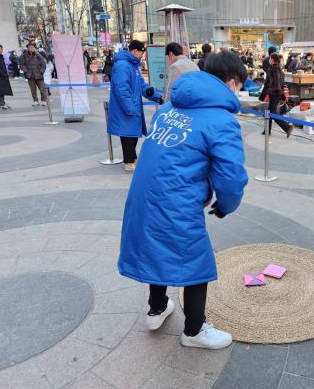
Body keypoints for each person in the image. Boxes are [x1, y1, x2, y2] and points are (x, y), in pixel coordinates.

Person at [118, 51, 249, 350]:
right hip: (175, 200)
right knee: (195, 260)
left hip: (143, 195)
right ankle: (194, 330)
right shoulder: (221, 120)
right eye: (240, 85)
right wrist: (225, 205)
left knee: (157, 247)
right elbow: (231, 177)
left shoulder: (168, 108)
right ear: (231, 82)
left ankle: (157, 308)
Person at [107, 40, 163, 172]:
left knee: (132, 133)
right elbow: (121, 88)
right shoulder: (122, 65)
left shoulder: (132, 66)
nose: (142, 56)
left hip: (132, 106)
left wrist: (156, 95)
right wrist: (129, 107)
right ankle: (129, 161)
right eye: (141, 53)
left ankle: (133, 158)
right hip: (126, 107)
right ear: (134, 51)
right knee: (127, 134)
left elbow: (142, 85)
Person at [263, 52, 293, 137]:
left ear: (272, 60)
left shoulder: (273, 69)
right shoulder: (278, 68)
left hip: (274, 93)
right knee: (268, 111)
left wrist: (264, 94)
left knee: (272, 112)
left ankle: (287, 127)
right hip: (277, 93)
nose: (269, 60)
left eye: (270, 59)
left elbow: (271, 83)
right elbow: (281, 82)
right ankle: (267, 130)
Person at [20, 42, 48, 106]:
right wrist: (26, 71)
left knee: (42, 89)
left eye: (33, 47)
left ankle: (43, 100)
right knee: (33, 90)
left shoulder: (39, 55)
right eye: (30, 47)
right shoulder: (24, 56)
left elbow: (43, 64)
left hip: (39, 75)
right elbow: (22, 64)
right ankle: (35, 101)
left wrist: (41, 72)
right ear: (28, 48)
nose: (31, 48)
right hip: (30, 75)